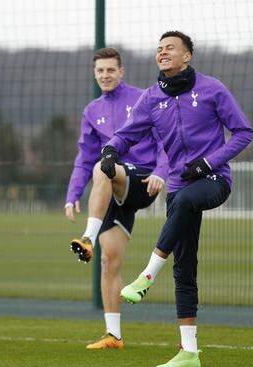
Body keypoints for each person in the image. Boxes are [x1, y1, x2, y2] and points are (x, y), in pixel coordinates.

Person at [100, 31, 253, 367]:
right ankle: (189, 352)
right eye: (159, 48)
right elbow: (126, 134)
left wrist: (210, 161)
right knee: (184, 267)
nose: (163, 52)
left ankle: (146, 277)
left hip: (214, 180)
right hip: (178, 187)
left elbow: (244, 132)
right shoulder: (152, 98)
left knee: (184, 203)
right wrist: (110, 150)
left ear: (187, 57)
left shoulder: (213, 89)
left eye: (170, 48)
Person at [65, 47, 168, 349]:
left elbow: (164, 138)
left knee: (103, 166)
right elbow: (83, 157)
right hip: (113, 189)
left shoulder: (142, 98)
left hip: (143, 179)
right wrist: (72, 194)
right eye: (100, 71)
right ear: (95, 74)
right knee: (110, 260)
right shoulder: (91, 111)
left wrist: (162, 170)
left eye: (111, 70)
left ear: (121, 71)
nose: (105, 75)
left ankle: (87, 237)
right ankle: (114, 336)